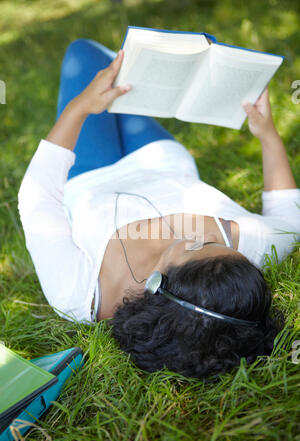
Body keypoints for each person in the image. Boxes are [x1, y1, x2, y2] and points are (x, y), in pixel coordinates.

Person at [18, 39, 300, 380]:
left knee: (82, 53)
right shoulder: (238, 259)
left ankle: (110, 64)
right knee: (125, 74)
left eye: (196, 245)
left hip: (89, 173)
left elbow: (37, 199)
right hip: (159, 159)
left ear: (156, 284)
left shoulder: (78, 294)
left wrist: (79, 109)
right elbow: (290, 219)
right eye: (224, 242)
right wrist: (267, 134)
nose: (209, 233)